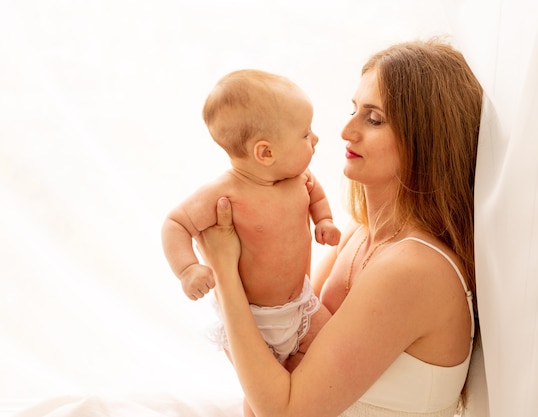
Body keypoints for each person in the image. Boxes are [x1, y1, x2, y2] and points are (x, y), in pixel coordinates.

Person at [198, 38, 483, 417]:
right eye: (354, 110)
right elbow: (274, 364)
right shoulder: (357, 234)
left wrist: (224, 271)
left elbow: (283, 409)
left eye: (374, 118)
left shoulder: (414, 268)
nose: (347, 130)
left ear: (424, 139)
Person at [161, 69, 340, 404]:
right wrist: (188, 269)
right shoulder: (224, 193)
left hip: (302, 308)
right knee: (259, 397)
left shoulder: (300, 177)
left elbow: (316, 196)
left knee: (326, 360)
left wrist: (324, 221)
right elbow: (175, 224)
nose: (315, 139)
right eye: (305, 134)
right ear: (265, 153)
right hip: (250, 324)